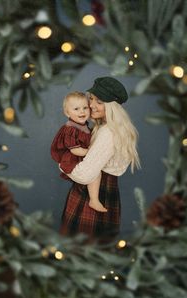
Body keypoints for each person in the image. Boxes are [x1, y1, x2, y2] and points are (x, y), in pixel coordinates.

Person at [60, 77, 140, 239]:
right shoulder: (106, 128)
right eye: (91, 98)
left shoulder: (107, 133)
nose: (91, 105)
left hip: (90, 196)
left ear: (112, 107)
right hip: (102, 193)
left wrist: (62, 165)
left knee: (81, 252)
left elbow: (84, 175)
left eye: (100, 101)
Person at [51, 91, 107, 212]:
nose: (82, 112)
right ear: (67, 112)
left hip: (81, 158)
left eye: (85, 108)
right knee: (95, 174)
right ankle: (94, 200)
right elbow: (75, 150)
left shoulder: (83, 126)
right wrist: (91, 151)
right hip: (72, 159)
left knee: (96, 174)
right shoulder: (71, 129)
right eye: (76, 109)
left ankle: (93, 199)